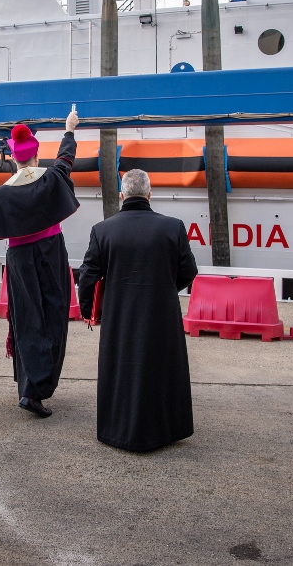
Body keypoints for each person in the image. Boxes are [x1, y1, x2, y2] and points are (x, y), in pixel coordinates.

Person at [78, 169, 199, 452]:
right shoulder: (173, 227)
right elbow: (188, 271)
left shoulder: (102, 230)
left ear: (122, 196)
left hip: (119, 315)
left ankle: (118, 430)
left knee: (122, 369)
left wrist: (89, 311)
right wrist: (166, 290)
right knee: (161, 370)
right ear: (149, 194)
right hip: (161, 315)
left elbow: (87, 276)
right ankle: (165, 430)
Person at [0, 109, 80, 418]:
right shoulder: (50, 179)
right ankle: (36, 389)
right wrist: (68, 131)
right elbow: (65, 162)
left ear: (13, 158)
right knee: (53, 316)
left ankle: (27, 386)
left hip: (20, 259)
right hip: (51, 253)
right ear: (36, 156)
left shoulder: (2, 194)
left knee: (26, 319)